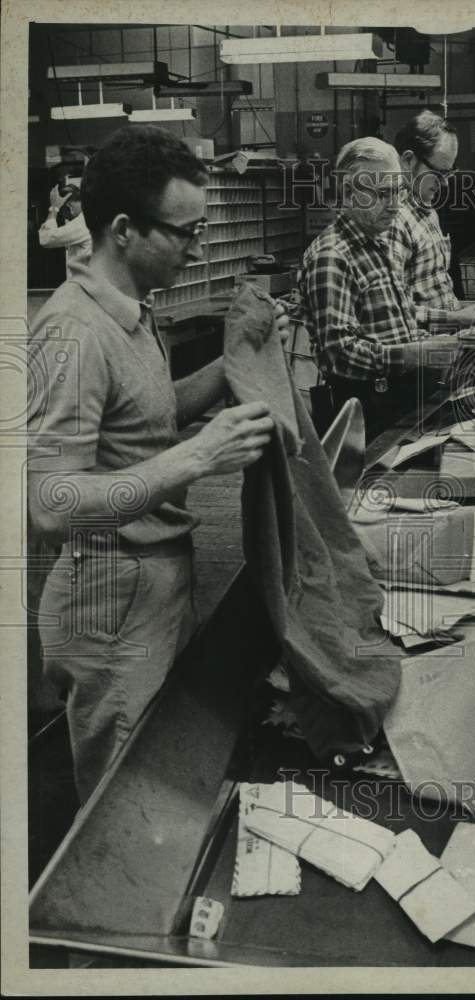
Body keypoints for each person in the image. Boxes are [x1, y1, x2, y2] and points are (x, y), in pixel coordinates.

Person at [27, 124, 286, 805]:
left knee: (166, 777)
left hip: (159, 581)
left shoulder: (133, 315)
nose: (195, 247)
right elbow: (52, 502)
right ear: (123, 229)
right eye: (184, 233)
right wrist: (199, 458)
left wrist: (234, 365)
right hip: (110, 605)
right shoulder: (74, 332)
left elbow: (145, 419)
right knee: (127, 808)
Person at [298, 137, 461, 441]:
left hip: (399, 399)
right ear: (349, 193)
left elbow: (394, 312)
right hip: (367, 412)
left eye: (398, 191)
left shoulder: (377, 243)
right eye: (383, 194)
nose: (395, 205)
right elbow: (338, 353)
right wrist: (416, 354)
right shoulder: (332, 257)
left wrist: (451, 324)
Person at [389, 110, 475, 327]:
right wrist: (456, 318)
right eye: (439, 172)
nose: (445, 184)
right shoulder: (393, 221)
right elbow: (393, 310)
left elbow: (435, 290)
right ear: (407, 160)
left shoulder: (427, 210)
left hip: (451, 335)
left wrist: (463, 308)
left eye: (449, 173)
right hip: (425, 347)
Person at [38, 182, 93, 278]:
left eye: (63, 211)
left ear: (69, 206)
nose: (66, 217)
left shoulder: (81, 223)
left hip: (84, 284)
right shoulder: (91, 218)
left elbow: (45, 239)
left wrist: (54, 208)